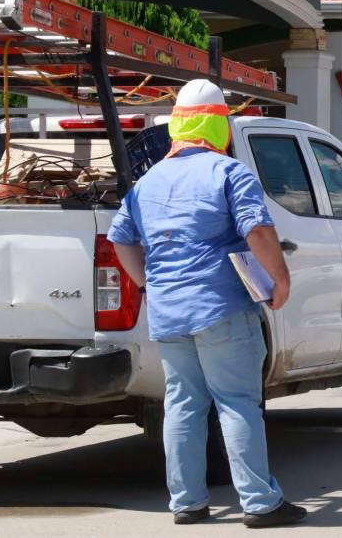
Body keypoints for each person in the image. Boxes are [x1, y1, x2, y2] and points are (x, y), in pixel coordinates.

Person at [108, 79, 306, 528]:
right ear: (220, 126)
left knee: (182, 404)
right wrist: (279, 278)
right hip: (221, 308)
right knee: (236, 401)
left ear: (178, 125)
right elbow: (256, 230)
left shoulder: (149, 179)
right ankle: (259, 503)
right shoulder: (229, 172)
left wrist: (147, 284)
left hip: (168, 311)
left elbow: (120, 238)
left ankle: (187, 502)